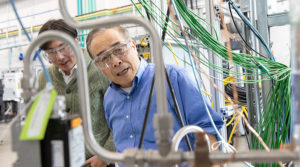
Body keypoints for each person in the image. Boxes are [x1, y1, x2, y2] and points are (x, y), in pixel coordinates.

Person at [86, 26, 223, 153]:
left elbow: (207, 129)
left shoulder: (171, 78)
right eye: (104, 58)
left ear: (133, 46)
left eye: (119, 50)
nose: (116, 62)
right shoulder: (110, 98)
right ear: (99, 67)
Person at [37, 19, 115, 167]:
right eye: (51, 53)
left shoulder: (100, 69)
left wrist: (105, 155)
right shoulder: (44, 77)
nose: (59, 57)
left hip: (96, 162)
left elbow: (119, 118)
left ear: (76, 40)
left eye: (63, 48)